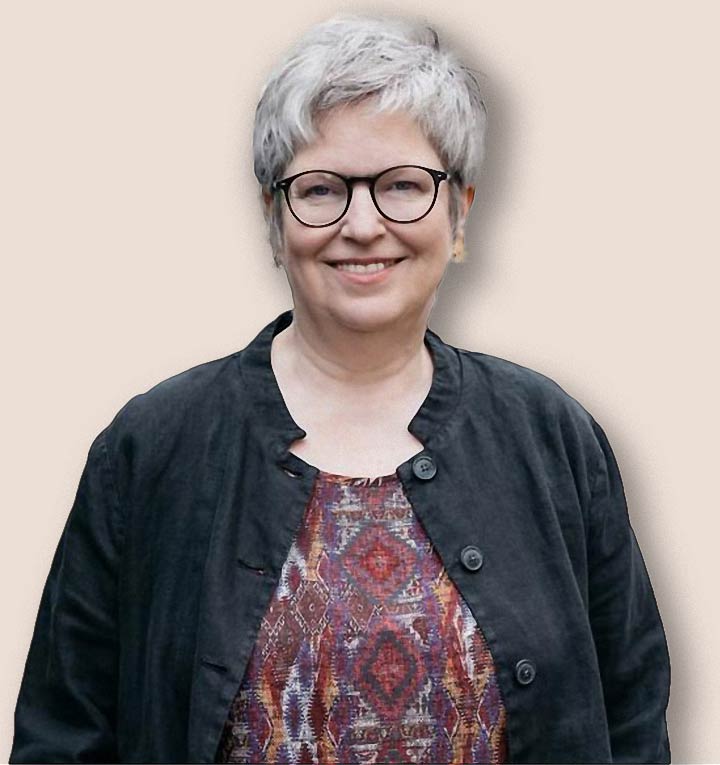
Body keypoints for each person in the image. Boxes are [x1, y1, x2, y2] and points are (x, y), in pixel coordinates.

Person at [10, 14, 671, 765]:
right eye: (322, 189)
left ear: (460, 212)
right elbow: (62, 735)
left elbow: (633, 712)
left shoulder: (551, 435)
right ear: (273, 216)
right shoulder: (151, 447)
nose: (362, 225)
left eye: (402, 185)